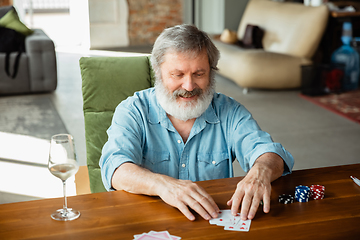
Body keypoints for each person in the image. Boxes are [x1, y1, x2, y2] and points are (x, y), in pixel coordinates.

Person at [100, 24, 294, 222]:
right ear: (158, 72)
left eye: (199, 74)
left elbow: (270, 152)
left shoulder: (229, 110)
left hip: (210, 223)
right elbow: (115, 168)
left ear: (211, 71)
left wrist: (260, 171)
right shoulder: (133, 110)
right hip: (150, 221)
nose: (189, 86)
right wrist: (164, 185)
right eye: (178, 75)